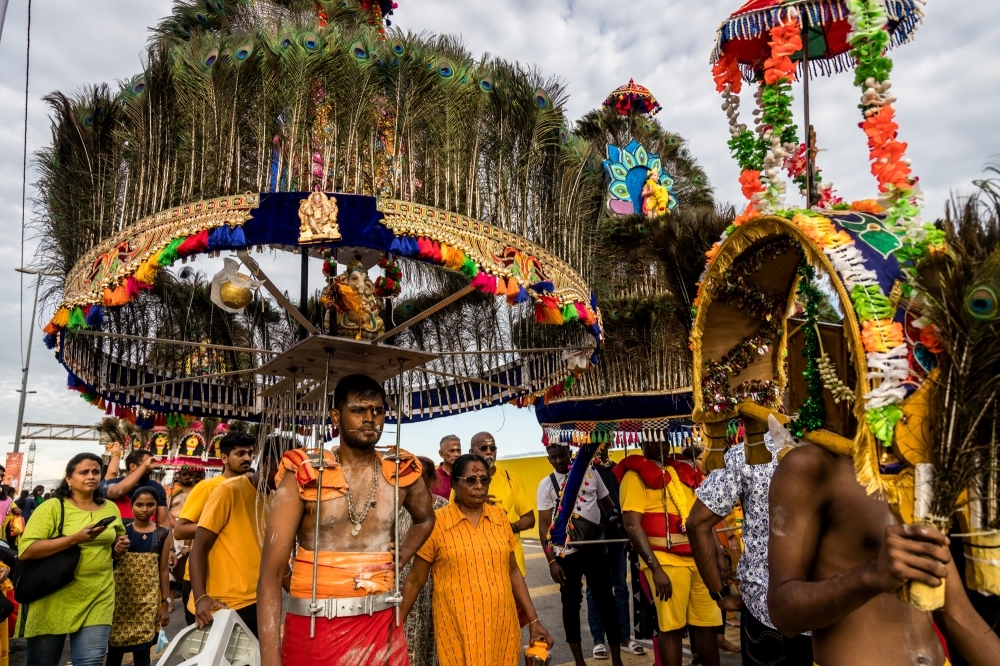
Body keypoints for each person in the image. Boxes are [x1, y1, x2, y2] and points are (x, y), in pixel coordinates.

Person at [767, 443, 1000, 666]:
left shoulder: (919, 467)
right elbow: (782, 613)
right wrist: (871, 576)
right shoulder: (812, 465)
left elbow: (956, 614)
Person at [258, 373, 435, 666]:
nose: (370, 419)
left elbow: (425, 519)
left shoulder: (401, 471)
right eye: (358, 410)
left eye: (377, 411)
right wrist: (269, 659)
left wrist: (401, 555)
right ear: (336, 417)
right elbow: (271, 574)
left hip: (383, 627)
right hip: (315, 628)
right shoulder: (305, 474)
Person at [401, 454, 554, 665]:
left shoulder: (500, 518)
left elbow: (513, 572)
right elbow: (414, 580)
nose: (479, 486)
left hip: (502, 626)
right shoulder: (437, 523)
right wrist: (395, 626)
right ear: (455, 483)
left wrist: (534, 621)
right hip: (458, 629)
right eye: (471, 480)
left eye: (484, 480)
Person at [687, 433, 809, 665]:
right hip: (834, 609)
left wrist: (720, 595)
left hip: (767, 606)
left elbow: (696, 523)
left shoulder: (747, 453)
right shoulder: (854, 449)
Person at [18, 452, 129, 666]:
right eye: (84, 472)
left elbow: (114, 549)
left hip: (98, 594)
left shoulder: (110, 507)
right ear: (69, 479)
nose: (91, 476)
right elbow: (27, 550)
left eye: (96, 472)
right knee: (42, 662)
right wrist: (75, 539)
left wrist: (119, 549)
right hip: (52, 596)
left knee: (91, 662)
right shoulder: (52, 507)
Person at [619, 439, 721, 666]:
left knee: (708, 625)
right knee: (671, 628)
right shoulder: (633, 477)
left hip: (699, 560)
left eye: (664, 440)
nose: (660, 446)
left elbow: (704, 516)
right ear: (641, 442)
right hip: (665, 562)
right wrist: (656, 568)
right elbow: (632, 525)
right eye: (652, 441)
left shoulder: (683, 472)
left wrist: (718, 555)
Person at [537, 444, 625, 666]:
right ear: (548, 459)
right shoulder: (546, 485)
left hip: (595, 547)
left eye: (562, 455)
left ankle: (617, 661)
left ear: (570, 453)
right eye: (553, 457)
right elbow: (543, 527)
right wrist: (551, 561)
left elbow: (608, 507)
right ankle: (579, 662)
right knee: (570, 605)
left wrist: (617, 525)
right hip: (566, 554)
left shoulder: (591, 473)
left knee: (607, 601)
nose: (558, 460)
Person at [188, 437, 283, 638]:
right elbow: (199, 548)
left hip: (258, 600)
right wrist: (200, 598)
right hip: (221, 604)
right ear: (267, 462)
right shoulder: (228, 490)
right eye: (283, 470)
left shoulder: (275, 499)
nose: (287, 478)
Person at [174, 431, 256, 624]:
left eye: (250, 453)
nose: (247, 458)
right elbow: (180, 529)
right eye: (240, 453)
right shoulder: (208, 487)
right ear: (224, 458)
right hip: (206, 583)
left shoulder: (252, 488)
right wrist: (214, 525)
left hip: (241, 588)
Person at [586, 449, 645, 659]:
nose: (601, 445)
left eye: (605, 439)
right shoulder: (585, 470)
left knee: (620, 586)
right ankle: (598, 640)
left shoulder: (618, 469)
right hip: (593, 539)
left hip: (617, 538)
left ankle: (624, 637)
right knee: (596, 589)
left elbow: (622, 505)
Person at [107, 488, 172, 666]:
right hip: (118, 601)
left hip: (147, 602)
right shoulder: (121, 531)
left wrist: (164, 604)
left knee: (143, 653)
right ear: (132, 506)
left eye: (150, 505)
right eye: (140, 505)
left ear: (156, 506)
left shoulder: (163, 533)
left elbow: (164, 569)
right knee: (114, 652)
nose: (145, 509)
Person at [400, 456, 449, 666]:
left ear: (430, 481)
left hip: (436, 583)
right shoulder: (398, 506)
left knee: (435, 638)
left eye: (419, 479)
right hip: (406, 582)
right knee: (408, 639)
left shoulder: (443, 506)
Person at [469, 431, 535, 576]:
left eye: (493, 448)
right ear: (471, 452)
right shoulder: (462, 483)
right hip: (476, 561)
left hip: (511, 560)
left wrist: (511, 526)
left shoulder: (511, 479)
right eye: (483, 448)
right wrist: (476, 504)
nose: (489, 452)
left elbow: (530, 518)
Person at [102, 448, 171, 527]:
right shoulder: (113, 483)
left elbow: (164, 521)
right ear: (132, 466)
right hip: (120, 537)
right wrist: (145, 466)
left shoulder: (156, 487)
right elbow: (116, 492)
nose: (151, 468)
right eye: (148, 463)